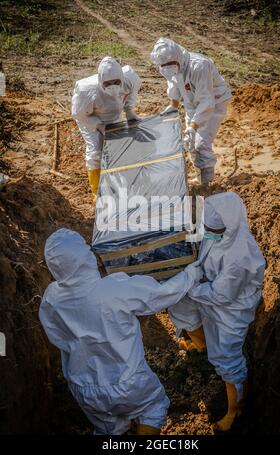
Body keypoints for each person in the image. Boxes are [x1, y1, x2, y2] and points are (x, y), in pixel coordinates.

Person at [39, 228, 202, 435]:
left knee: (109, 429)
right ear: (84, 257)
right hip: (127, 381)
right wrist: (190, 275)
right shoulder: (114, 289)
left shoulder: (51, 298)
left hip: (83, 387)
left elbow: (57, 336)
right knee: (153, 408)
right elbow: (161, 294)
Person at [168, 192, 265, 431]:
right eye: (206, 227)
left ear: (229, 227)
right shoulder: (219, 230)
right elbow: (204, 244)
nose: (208, 231)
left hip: (231, 309)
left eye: (213, 229)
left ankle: (235, 409)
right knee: (181, 308)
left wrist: (190, 287)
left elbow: (222, 295)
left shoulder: (239, 257)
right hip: (208, 291)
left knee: (227, 355)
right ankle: (201, 348)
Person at [150, 38, 232, 186]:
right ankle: (200, 177)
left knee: (201, 143)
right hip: (192, 102)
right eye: (163, 65)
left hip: (215, 101)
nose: (166, 67)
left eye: (169, 64)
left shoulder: (199, 66)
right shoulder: (170, 65)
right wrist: (173, 105)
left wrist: (193, 126)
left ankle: (207, 184)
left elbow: (207, 101)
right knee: (190, 142)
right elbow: (173, 83)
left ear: (177, 58)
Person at [71, 57, 141, 200]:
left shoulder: (130, 78)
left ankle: (116, 182)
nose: (113, 86)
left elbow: (133, 92)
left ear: (121, 77)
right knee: (96, 151)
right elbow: (79, 115)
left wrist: (129, 110)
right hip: (90, 119)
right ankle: (97, 192)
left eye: (116, 82)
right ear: (100, 81)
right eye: (108, 83)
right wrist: (99, 125)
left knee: (115, 149)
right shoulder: (87, 90)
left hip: (113, 117)